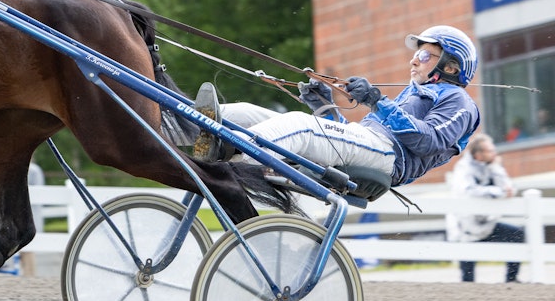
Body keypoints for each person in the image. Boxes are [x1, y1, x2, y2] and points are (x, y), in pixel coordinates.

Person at [194, 25, 482, 190]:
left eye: (424, 54)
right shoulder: (414, 93)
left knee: (299, 126)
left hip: (390, 159)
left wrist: (376, 101)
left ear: (452, 66)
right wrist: (322, 104)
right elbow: (343, 138)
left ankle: (224, 157)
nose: (413, 60)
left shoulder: (460, 103)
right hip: (369, 144)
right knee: (244, 112)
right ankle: (171, 129)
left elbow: (428, 141)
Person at [450, 134, 523, 283]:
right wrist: (498, 192)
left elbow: (508, 189)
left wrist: (496, 168)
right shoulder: (463, 168)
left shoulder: (492, 166)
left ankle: (511, 280)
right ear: (478, 155)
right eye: (490, 151)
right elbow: (469, 191)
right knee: (468, 278)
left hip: (488, 224)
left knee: (517, 234)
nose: (494, 154)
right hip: (466, 228)